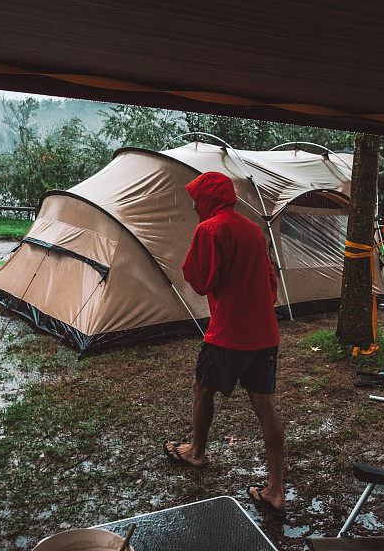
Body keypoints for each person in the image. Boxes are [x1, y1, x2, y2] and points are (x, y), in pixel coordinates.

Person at [163, 171, 286, 517]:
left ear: (208, 198)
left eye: (196, 200)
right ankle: (276, 490)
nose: (193, 207)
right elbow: (270, 279)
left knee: (202, 388)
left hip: (230, 332)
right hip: (265, 333)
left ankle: (196, 451)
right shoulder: (251, 229)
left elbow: (200, 281)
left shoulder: (210, 229)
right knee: (265, 407)